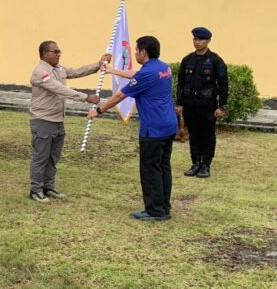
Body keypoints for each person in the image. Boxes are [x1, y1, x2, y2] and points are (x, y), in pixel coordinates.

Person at [89, 36, 177, 221]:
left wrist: (99, 110)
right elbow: (136, 75)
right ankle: (164, 206)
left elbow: (119, 95)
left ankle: (155, 211)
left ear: (143, 52)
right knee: (163, 167)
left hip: (153, 129)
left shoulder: (147, 73)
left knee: (150, 169)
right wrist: (111, 70)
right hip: (168, 125)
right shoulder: (163, 67)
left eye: (136, 50)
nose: (135, 53)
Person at [28, 41, 106, 203]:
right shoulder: (40, 72)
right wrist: (86, 97)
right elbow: (60, 89)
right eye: (55, 51)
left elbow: (76, 72)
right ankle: (36, 190)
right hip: (43, 120)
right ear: (44, 54)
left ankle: (48, 187)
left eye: (59, 51)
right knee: (41, 157)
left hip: (57, 120)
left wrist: (97, 65)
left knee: (53, 157)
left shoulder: (59, 69)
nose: (59, 54)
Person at [176, 27, 228, 178]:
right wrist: (179, 103)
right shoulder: (187, 60)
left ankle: (206, 165)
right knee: (193, 135)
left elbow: (223, 84)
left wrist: (222, 106)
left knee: (207, 135)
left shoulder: (216, 60)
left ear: (208, 41)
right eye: (195, 39)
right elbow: (181, 84)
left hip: (207, 105)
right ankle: (195, 163)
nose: (197, 42)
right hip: (190, 104)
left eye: (201, 39)